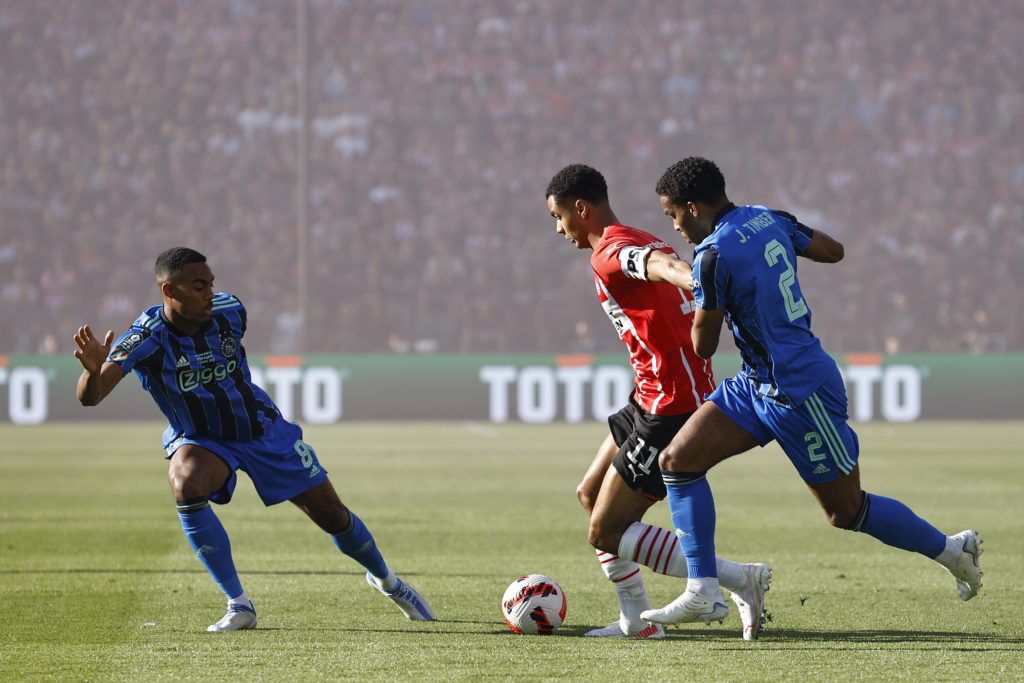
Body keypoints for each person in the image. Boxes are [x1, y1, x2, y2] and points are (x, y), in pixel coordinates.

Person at [635, 157, 983, 627]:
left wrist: (704, 293)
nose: (675, 226)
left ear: (693, 207)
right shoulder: (768, 218)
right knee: (678, 462)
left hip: (800, 391)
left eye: (672, 214)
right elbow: (832, 251)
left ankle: (952, 551)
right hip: (756, 382)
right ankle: (703, 589)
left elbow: (703, 344)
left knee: (847, 511)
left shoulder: (711, 256)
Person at [73, 247, 435, 631]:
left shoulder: (231, 311)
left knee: (333, 516)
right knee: (185, 481)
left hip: (262, 430)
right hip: (202, 440)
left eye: (211, 284)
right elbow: (91, 397)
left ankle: (388, 582)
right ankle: (239, 604)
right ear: (169, 291)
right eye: (198, 287)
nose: (209, 293)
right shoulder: (145, 336)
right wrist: (93, 372)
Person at [545, 164, 772, 640]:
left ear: (580, 209)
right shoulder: (635, 236)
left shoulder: (611, 250)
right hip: (649, 394)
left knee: (605, 532)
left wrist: (694, 279)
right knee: (589, 496)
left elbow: (656, 267)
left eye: (558, 216)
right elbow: (656, 264)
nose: (558, 228)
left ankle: (737, 577)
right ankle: (636, 621)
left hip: (671, 405)